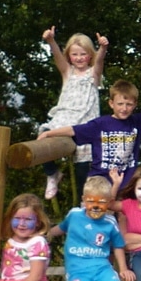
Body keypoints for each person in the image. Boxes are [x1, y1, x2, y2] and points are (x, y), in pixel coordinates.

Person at [37, 79, 141, 188]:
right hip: (100, 180)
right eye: (120, 104)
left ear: (135, 105)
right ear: (111, 104)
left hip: (126, 180)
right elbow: (73, 129)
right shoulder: (100, 124)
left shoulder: (136, 121)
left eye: (129, 104)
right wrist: (49, 133)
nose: (124, 108)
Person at [39, 27, 107, 200]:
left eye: (83, 54)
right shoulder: (68, 73)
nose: (79, 58)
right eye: (74, 54)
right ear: (69, 55)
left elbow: (99, 64)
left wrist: (103, 49)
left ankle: (83, 205)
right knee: (42, 134)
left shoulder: (93, 75)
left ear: (90, 55)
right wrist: (51, 41)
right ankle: (52, 173)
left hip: (84, 123)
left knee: (82, 171)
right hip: (64, 119)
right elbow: (58, 58)